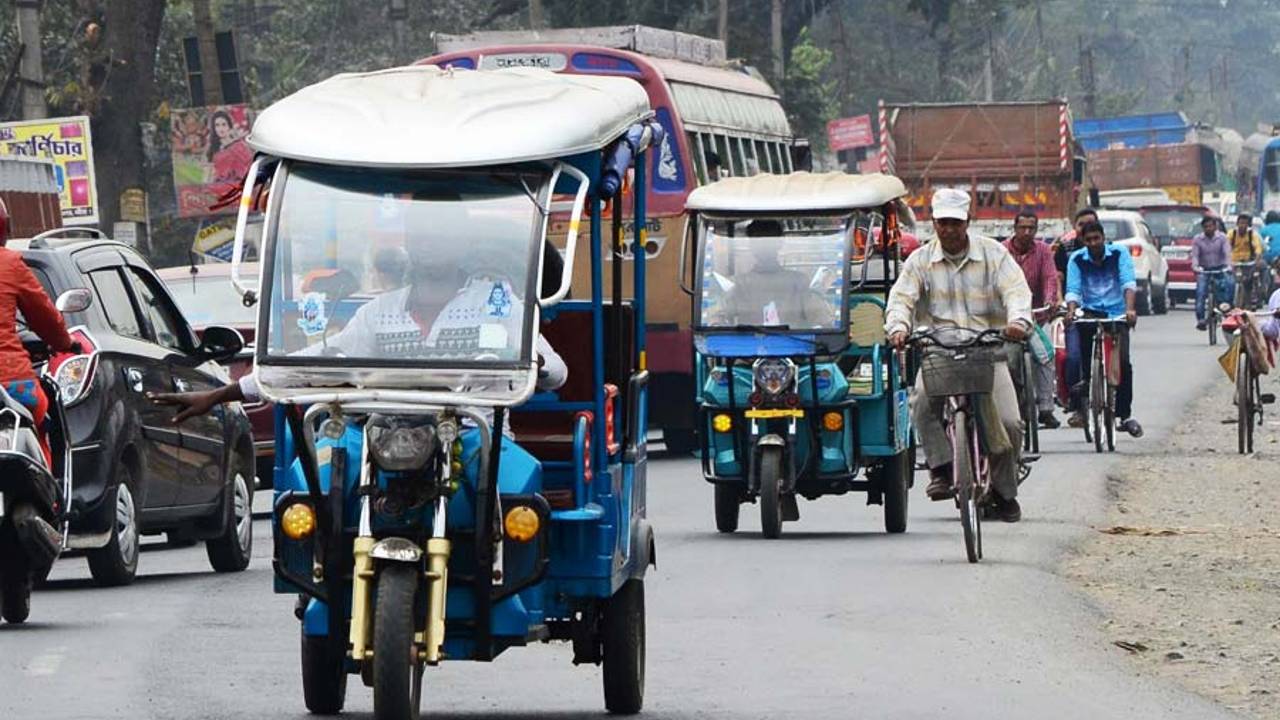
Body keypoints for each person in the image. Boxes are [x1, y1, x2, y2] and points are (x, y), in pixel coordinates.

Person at [152, 213, 568, 424]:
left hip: (478, 441)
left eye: (441, 238)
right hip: (389, 445)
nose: (430, 247)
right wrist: (220, 395)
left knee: (518, 491)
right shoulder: (379, 314)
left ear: (463, 245)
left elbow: (557, 371)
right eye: (420, 238)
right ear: (407, 244)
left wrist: (537, 363)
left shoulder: (498, 301)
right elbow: (315, 362)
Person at [885, 188, 1031, 523]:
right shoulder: (920, 261)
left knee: (1010, 424)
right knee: (920, 403)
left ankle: (1004, 492)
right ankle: (941, 467)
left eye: (955, 222)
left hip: (988, 352)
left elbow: (1016, 291)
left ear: (968, 221)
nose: (949, 230)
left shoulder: (993, 254)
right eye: (942, 223)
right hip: (940, 353)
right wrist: (898, 327)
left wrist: (1018, 322)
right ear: (933, 223)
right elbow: (901, 300)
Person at [0, 198, 80, 465]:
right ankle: (49, 500)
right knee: (39, 426)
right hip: (13, 383)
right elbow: (46, 319)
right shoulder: (10, 264)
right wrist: (66, 342)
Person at [1062, 220, 1143, 437]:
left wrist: (1130, 310)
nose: (1093, 243)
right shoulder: (1076, 259)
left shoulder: (1119, 254)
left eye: (1096, 238)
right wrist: (1071, 311)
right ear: (1083, 241)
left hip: (1117, 313)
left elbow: (1128, 283)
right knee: (1084, 359)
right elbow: (1073, 290)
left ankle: (1125, 416)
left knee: (1123, 363)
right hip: (1089, 312)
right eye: (1088, 240)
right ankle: (1088, 386)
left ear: (1103, 238)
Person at [707, 219, 837, 328]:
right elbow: (719, 315)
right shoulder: (739, 284)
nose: (764, 247)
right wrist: (716, 324)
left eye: (768, 242)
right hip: (749, 355)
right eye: (758, 242)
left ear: (779, 243)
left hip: (794, 355)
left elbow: (819, 317)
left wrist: (827, 325)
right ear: (751, 246)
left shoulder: (798, 281)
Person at [1002, 210, 1061, 429]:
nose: (1026, 232)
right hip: (1009, 318)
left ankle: (1046, 407)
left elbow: (1050, 278)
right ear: (1014, 229)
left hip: (1036, 316)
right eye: (1022, 228)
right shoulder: (1002, 251)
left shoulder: (1044, 251)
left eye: (1031, 228)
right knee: (1007, 360)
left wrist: (1049, 300)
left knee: (1045, 355)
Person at [1191, 214, 1234, 331]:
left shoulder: (1222, 238)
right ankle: (1200, 319)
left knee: (1229, 284)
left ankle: (1227, 309)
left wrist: (1228, 266)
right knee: (1200, 292)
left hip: (1220, 268)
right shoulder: (1197, 240)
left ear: (1215, 227)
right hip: (1204, 270)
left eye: (1210, 226)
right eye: (1206, 227)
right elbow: (1195, 256)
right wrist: (1195, 266)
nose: (1208, 229)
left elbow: (1227, 254)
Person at [1052, 207, 1098, 295]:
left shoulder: (1109, 250)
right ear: (1074, 227)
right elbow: (1058, 276)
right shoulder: (1065, 248)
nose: (1085, 228)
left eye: (1090, 224)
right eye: (1081, 225)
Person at [1228, 213, 1265, 308]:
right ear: (1237, 224)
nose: (1242, 226)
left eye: (1245, 223)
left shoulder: (1252, 234)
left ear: (1248, 225)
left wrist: (1257, 259)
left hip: (1248, 262)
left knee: (1249, 282)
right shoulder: (1232, 234)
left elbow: (1258, 248)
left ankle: (1252, 300)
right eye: (1240, 223)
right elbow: (1225, 247)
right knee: (1229, 282)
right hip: (1233, 262)